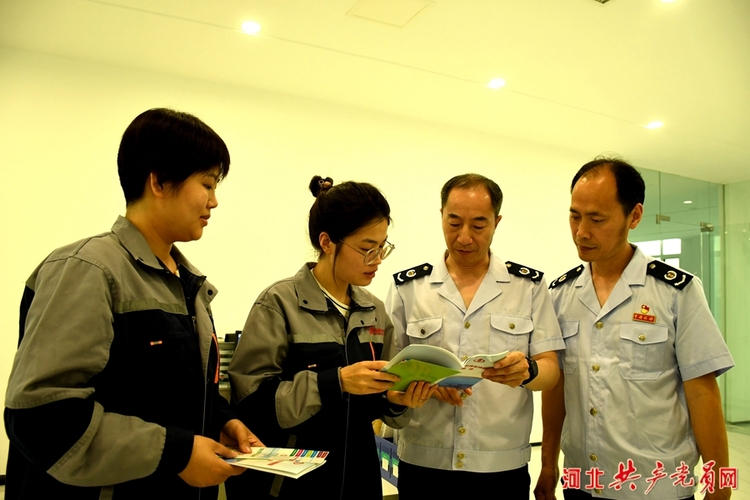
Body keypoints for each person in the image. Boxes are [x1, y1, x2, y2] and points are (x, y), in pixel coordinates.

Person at [4, 108, 261, 499]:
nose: (215, 201)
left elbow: (175, 394)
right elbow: (41, 417)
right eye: (207, 184)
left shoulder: (189, 284)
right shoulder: (87, 269)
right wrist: (176, 453)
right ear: (158, 181)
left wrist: (223, 421)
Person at [534, 158, 734, 500]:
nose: (582, 231)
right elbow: (558, 388)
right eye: (575, 215)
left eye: (597, 219)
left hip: (654, 487)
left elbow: (702, 392)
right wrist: (549, 464)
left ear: (635, 216)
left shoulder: (676, 292)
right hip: (583, 482)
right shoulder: (560, 294)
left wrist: (720, 488)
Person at [227, 176, 433, 500]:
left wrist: (396, 400)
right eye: (367, 249)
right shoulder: (279, 303)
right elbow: (252, 403)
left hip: (358, 480)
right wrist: (333, 383)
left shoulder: (374, 310)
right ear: (327, 242)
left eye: (383, 247)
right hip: (292, 486)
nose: (377, 259)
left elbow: (378, 399)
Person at [386, 173, 564, 499]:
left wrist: (528, 372)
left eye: (478, 226)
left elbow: (551, 370)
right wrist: (423, 384)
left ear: (497, 222)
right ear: (440, 215)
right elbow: (387, 370)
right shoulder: (408, 288)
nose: (464, 237)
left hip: (500, 467)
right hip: (425, 461)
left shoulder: (528, 288)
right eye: (453, 223)